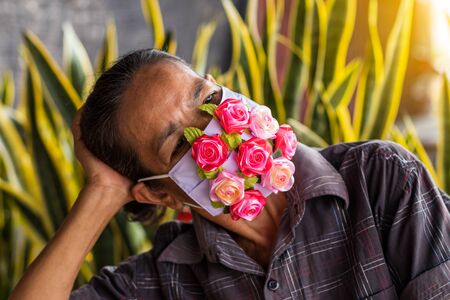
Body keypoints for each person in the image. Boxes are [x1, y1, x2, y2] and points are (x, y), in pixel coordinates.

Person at [9, 49, 450, 300]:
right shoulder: (171, 278)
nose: (214, 128)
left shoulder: (382, 181)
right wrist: (104, 191)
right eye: (179, 143)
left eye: (207, 98)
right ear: (159, 195)